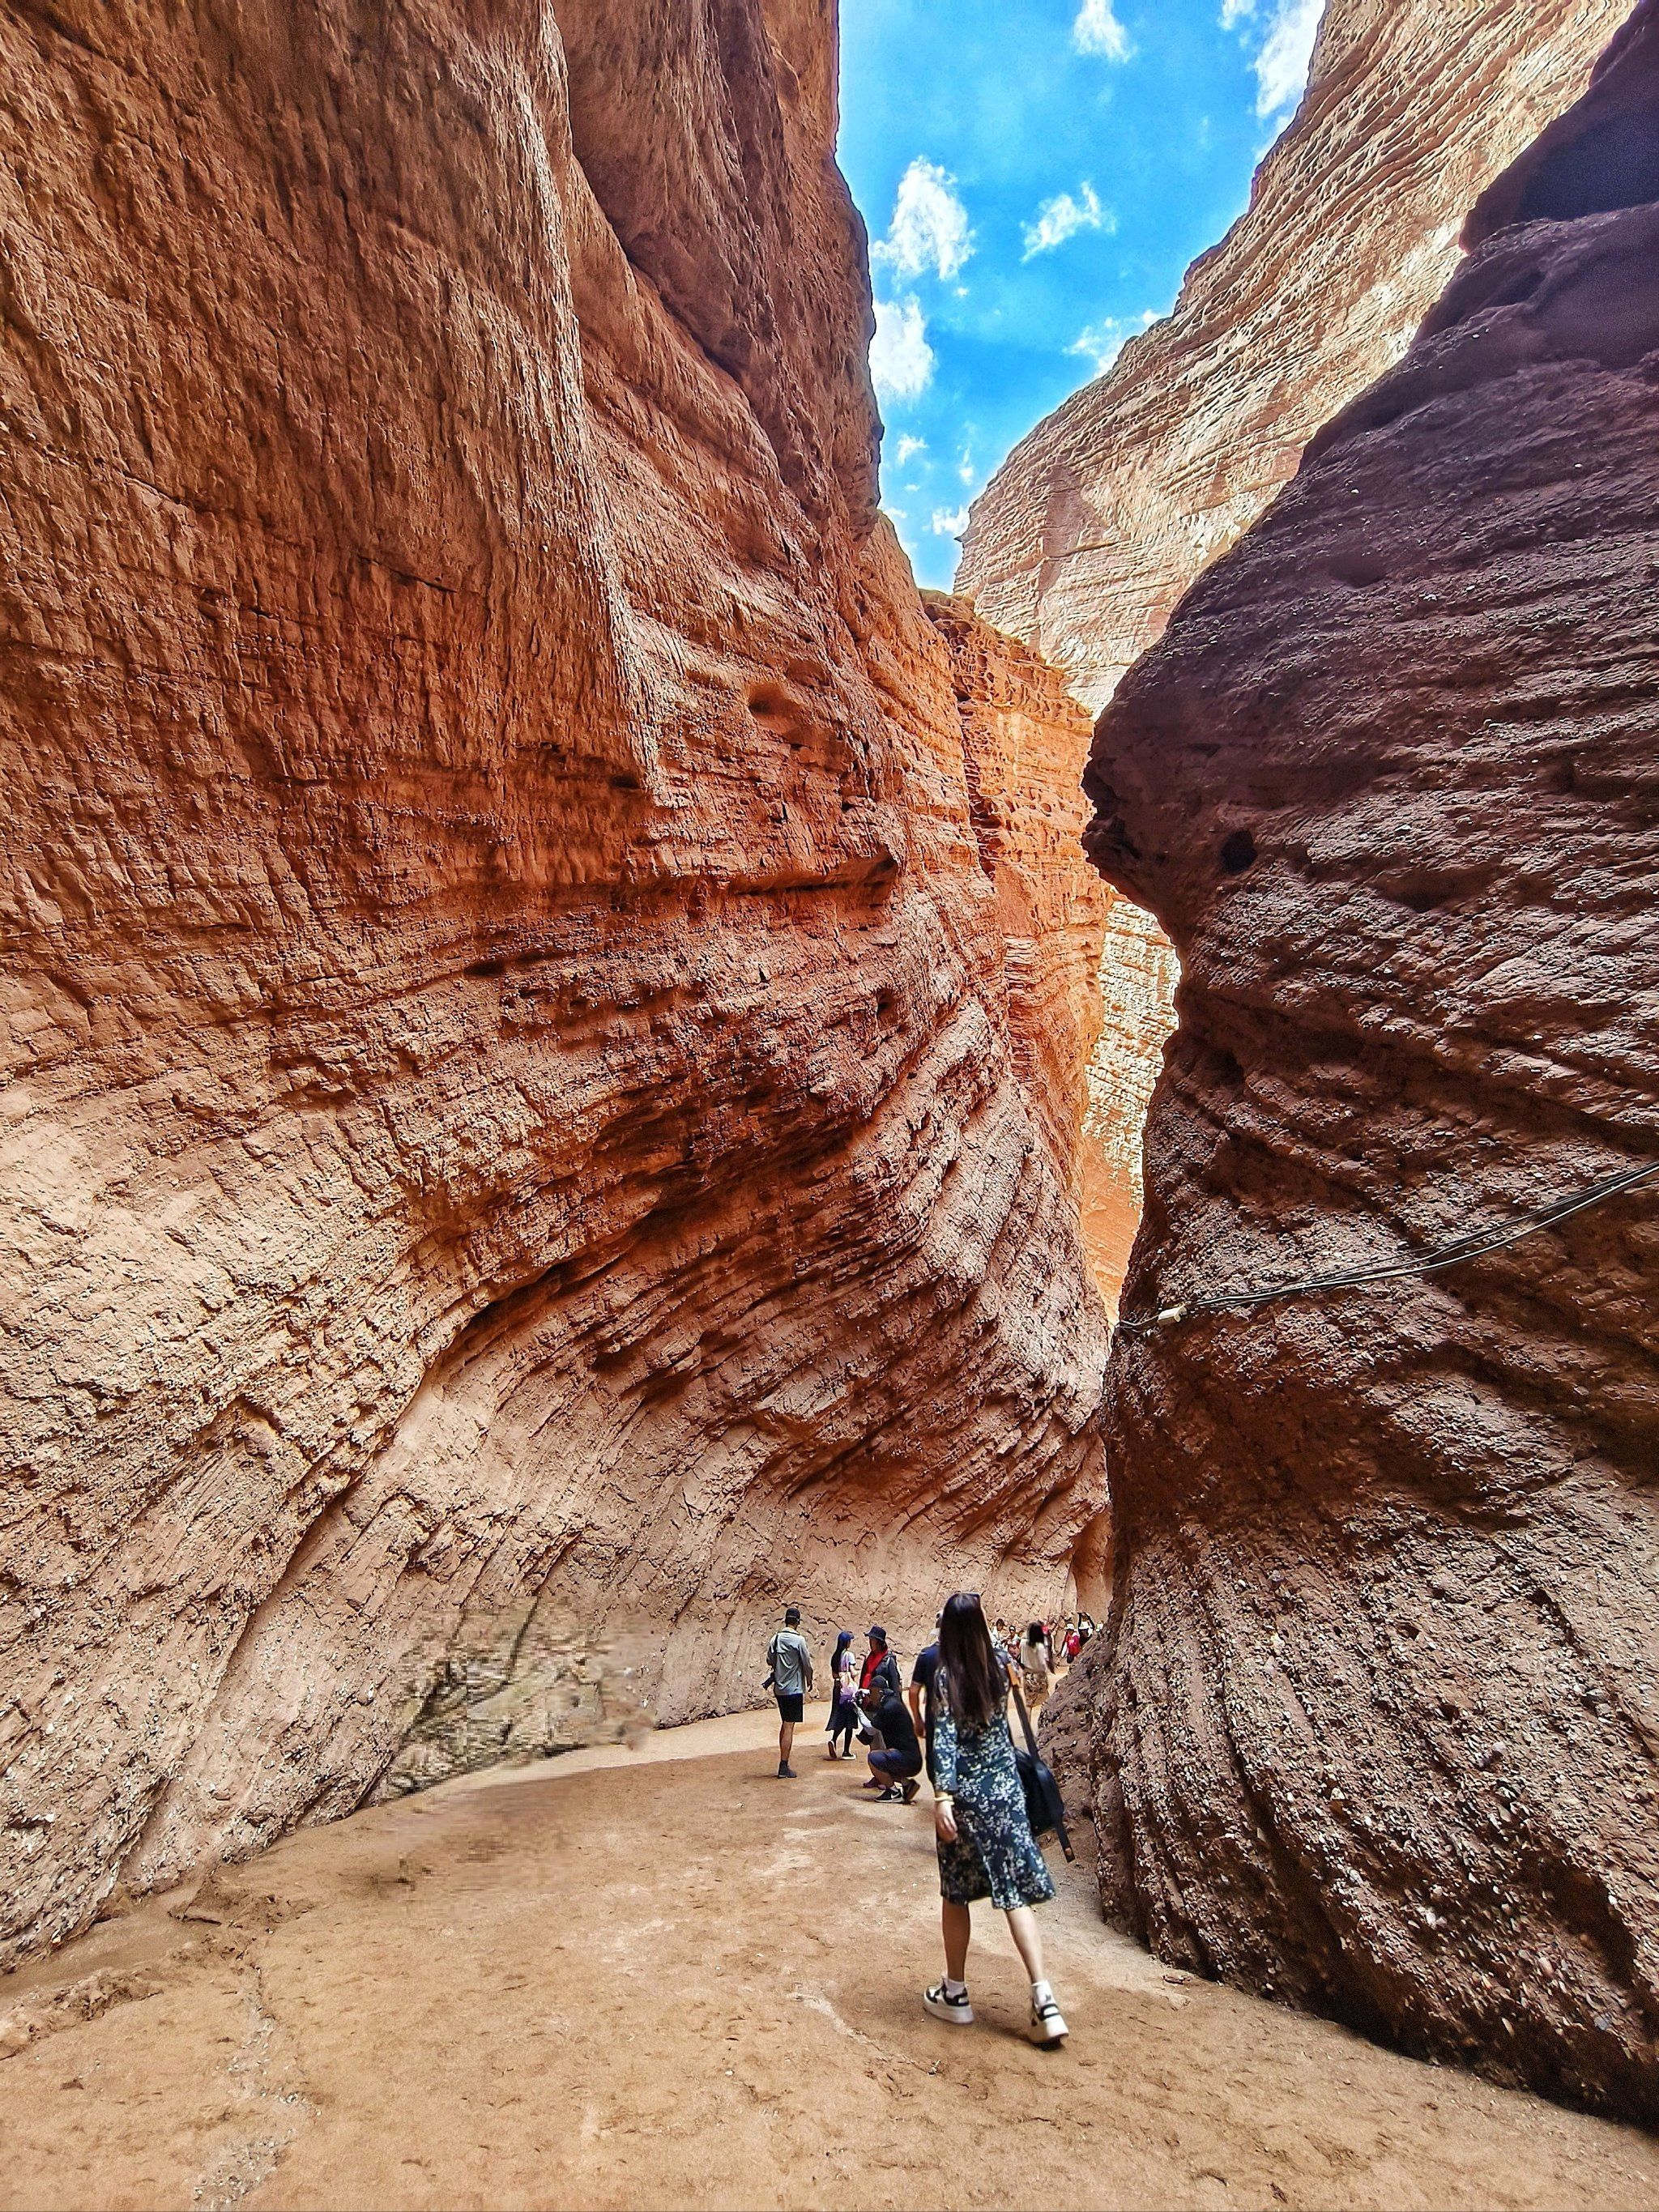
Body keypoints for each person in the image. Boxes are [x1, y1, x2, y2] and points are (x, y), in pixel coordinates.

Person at [923, 1592, 1068, 2045]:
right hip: (1006, 1794)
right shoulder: (1000, 1663)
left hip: (966, 1799)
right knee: (1014, 1893)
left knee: (957, 1892)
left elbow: (944, 1738)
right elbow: (1022, 1685)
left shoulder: (947, 1676)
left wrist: (943, 1796)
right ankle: (1044, 2000)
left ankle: (956, 1994)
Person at [765, 1606, 814, 1778]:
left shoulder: (776, 1639)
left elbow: (769, 1659)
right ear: (797, 1623)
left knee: (784, 1723)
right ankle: (783, 1766)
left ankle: (783, 1761)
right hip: (793, 1689)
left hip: (779, 1688)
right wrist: (809, 1679)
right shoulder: (799, 1641)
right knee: (789, 1726)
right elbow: (806, 1663)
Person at [864, 1681, 923, 1802]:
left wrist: (858, 1711)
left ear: (879, 1692)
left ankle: (893, 1792)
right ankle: (907, 1785)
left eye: (871, 1692)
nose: (869, 1696)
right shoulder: (891, 1702)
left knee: (874, 1758)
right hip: (912, 1758)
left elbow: (870, 1730)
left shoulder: (889, 1707)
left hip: (908, 1759)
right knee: (884, 1759)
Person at [909, 1618, 941, 1787]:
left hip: (933, 1716)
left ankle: (940, 1795)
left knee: (933, 1757)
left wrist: (917, 1719)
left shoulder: (926, 1655)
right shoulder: (964, 1655)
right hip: (958, 1719)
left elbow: (913, 1691)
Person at [825, 1630, 858, 1760]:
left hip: (838, 1688)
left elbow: (834, 1674)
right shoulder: (849, 1655)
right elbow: (852, 1671)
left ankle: (833, 1739)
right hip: (847, 1690)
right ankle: (846, 1751)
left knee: (839, 1715)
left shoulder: (835, 1656)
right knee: (850, 1719)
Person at [1017, 1621, 1055, 1718]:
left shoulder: (1024, 1644)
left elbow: (1021, 1659)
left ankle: (1027, 1730)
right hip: (1039, 1675)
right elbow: (1043, 1662)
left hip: (1028, 1675)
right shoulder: (1040, 1646)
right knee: (1046, 1701)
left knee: (1029, 1703)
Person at [859, 1625, 901, 1704]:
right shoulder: (869, 1659)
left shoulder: (888, 1661)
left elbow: (895, 1687)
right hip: (867, 1703)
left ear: (879, 1642)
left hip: (882, 1704)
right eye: (870, 1640)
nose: (870, 1643)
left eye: (873, 1640)